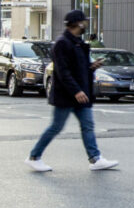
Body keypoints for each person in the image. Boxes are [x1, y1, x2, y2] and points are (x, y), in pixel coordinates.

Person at [26, 9, 119, 172]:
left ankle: (95, 159)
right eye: (84, 21)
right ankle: (34, 157)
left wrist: (91, 67)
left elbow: (78, 68)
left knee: (88, 125)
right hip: (68, 95)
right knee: (56, 126)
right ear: (77, 23)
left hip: (80, 94)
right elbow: (63, 71)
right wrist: (76, 90)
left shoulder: (76, 42)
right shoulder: (62, 43)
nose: (86, 24)